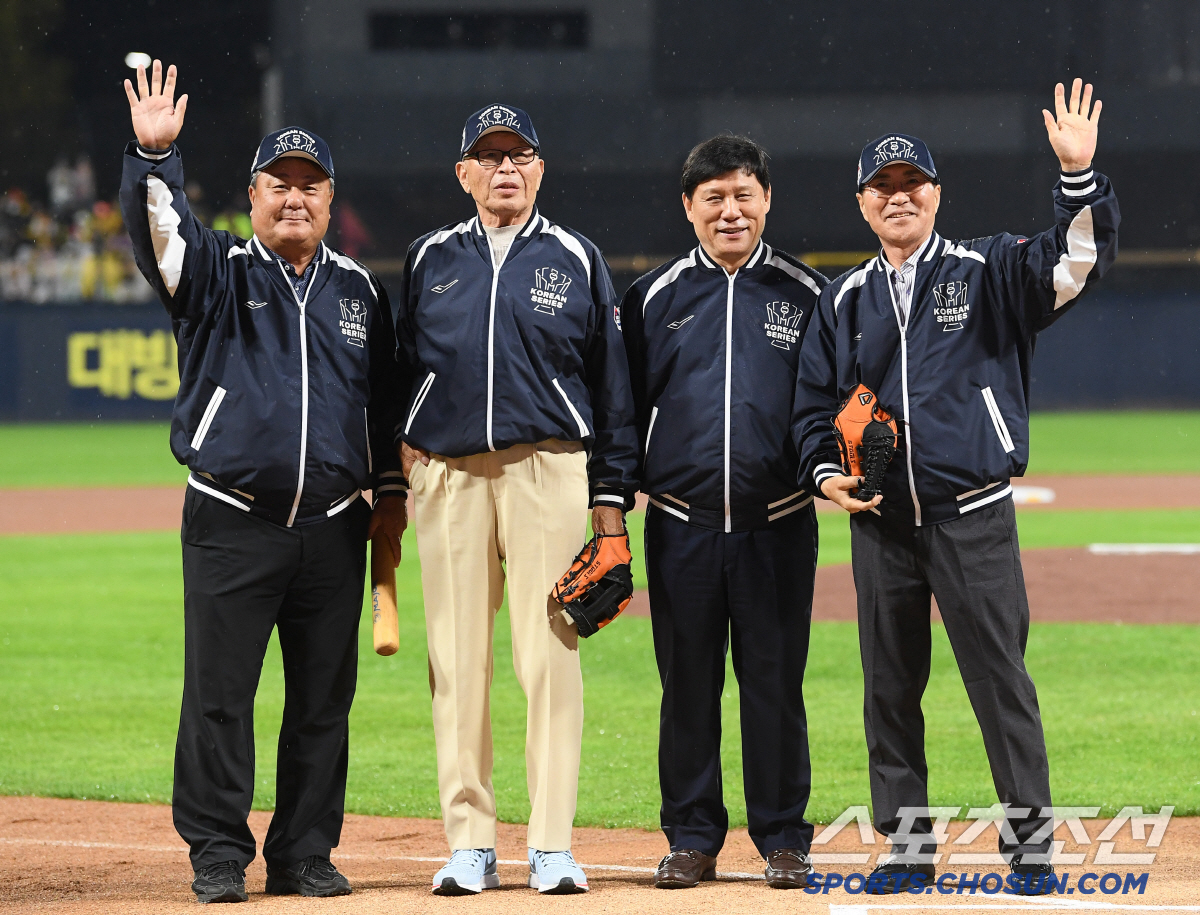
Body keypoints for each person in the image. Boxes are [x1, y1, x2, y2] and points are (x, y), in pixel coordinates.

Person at [792, 80, 1119, 896]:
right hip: (881, 526)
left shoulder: (991, 269)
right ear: (863, 204)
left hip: (973, 517)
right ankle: (906, 851)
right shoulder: (844, 300)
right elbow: (811, 409)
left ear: (937, 194)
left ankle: (1032, 849)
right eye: (882, 186)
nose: (898, 196)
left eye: (912, 183)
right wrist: (827, 472)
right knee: (889, 694)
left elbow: (1077, 263)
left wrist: (1077, 176)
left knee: (1000, 684)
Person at [119, 60, 408, 903]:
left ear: (330, 200)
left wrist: (388, 491)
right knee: (219, 696)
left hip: (333, 526)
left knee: (322, 701)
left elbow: (383, 404)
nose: (294, 198)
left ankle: (304, 852)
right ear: (252, 196)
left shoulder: (360, 291)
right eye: (278, 184)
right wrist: (155, 159)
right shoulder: (216, 271)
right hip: (232, 518)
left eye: (310, 185)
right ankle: (217, 852)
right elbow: (159, 235)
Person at [393, 104, 638, 895]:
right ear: (463, 172)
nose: (506, 167)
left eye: (519, 154)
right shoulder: (429, 257)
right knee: (456, 660)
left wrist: (609, 499)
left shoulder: (576, 257)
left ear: (540, 168)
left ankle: (551, 843)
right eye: (489, 155)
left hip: (549, 467)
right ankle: (469, 842)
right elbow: (397, 367)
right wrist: (401, 450)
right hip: (450, 476)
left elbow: (611, 384)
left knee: (551, 657)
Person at [619, 135, 827, 890]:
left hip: (779, 523)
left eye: (743, 195)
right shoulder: (652, 298)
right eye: (714, 198)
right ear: (689, 207)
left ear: (766, 199)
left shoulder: (810, 295)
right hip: (682, 524)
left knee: (775, 685)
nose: (730, 211)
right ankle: (692, 836)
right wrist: (611, 510)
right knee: (686, 687)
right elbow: (621, 412)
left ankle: (783, 837)